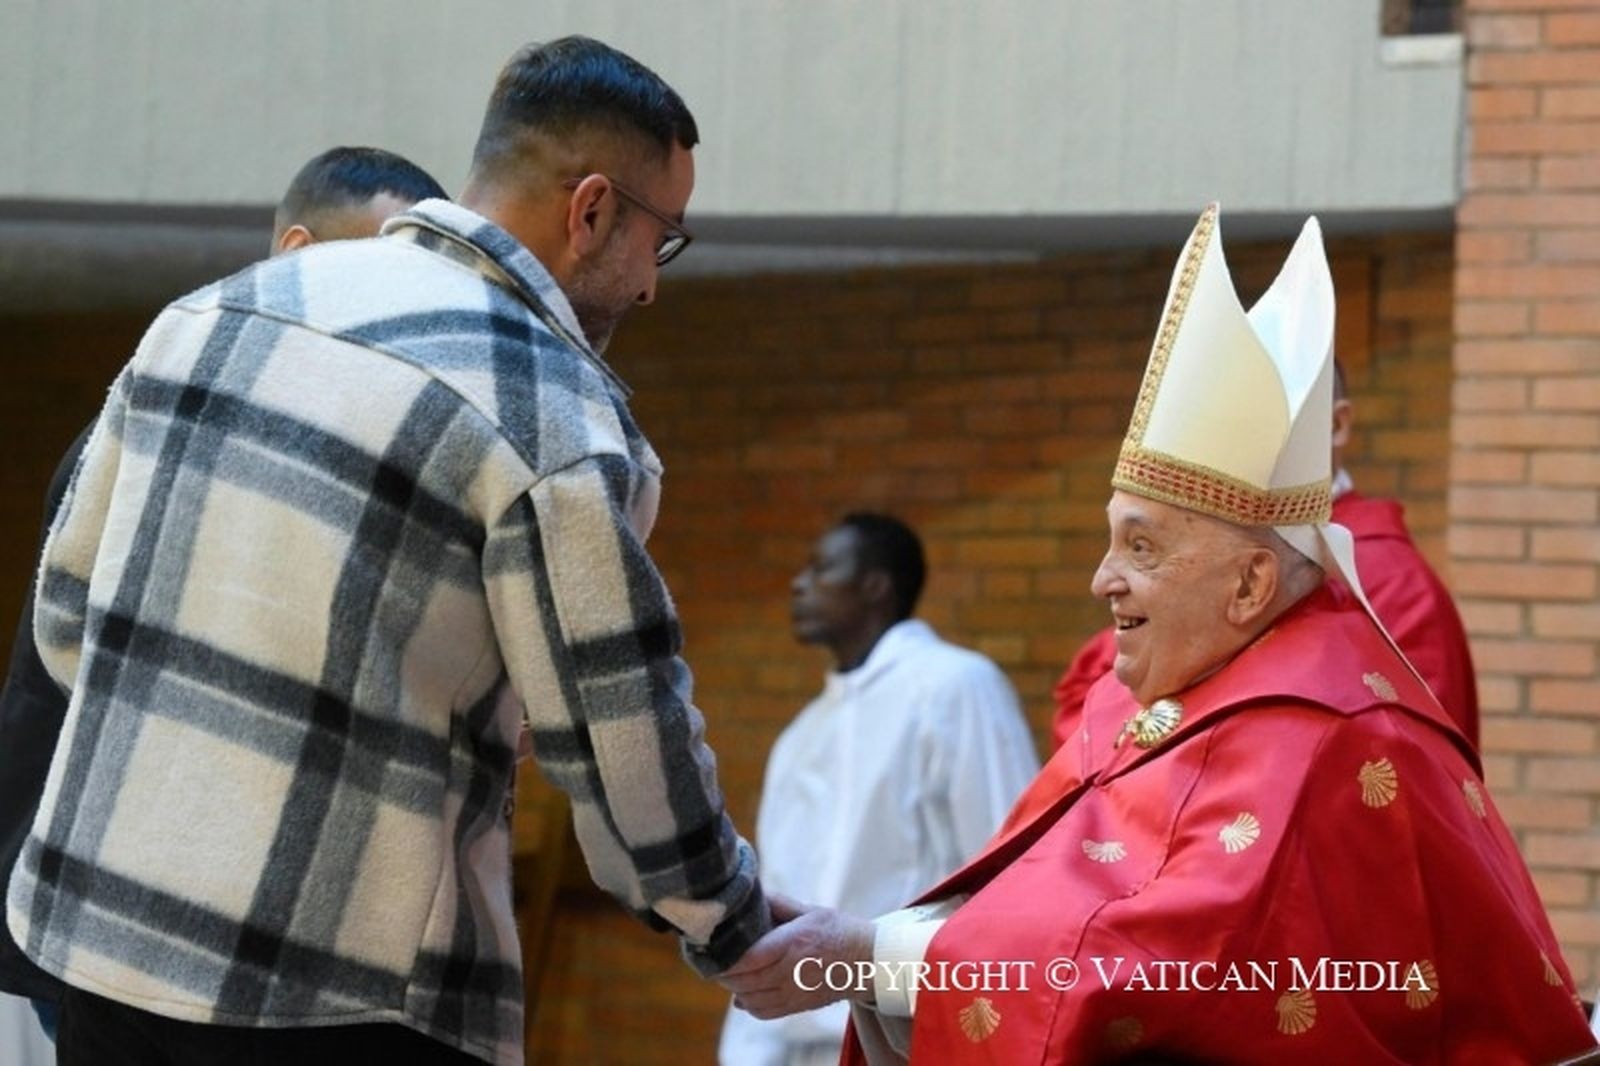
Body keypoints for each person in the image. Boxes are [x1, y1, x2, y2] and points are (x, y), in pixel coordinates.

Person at [10, 37, 767, 1066]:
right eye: (660, 240)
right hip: (338, 990)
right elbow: (624, 748)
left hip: (102, 945)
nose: (648, 287)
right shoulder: (552, 411)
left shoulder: (207, 316)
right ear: (591, 210)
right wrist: (728, 919)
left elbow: (66, 621)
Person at [720, 205, 1596, 1063]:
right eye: (1111, 542)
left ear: (1251, 584)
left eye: (1141, 547)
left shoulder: (1333, 739)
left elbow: (1167, 970)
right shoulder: (1145, 696)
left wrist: (868, 956)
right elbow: (1034, 901)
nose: (1102, 579)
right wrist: (865, 946)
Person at [0, 144, 445, 1046]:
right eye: (376, 272)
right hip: (103, 906)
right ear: (294, 254)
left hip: (220, 922)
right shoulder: (166, 417)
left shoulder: (336, 441)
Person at [719, 513, 1039, 1066]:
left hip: (909, 1033)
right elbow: (774, 900)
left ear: (875, 585)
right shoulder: (800, 736)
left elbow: (1010, 874)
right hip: (792, 1045)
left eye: (822, 568)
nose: (799, 583)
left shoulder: (955, 687)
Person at [1051, 364, 1480, 753]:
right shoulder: (1198, 551)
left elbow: (1401, 761)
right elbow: (1091, 707)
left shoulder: (1397, 587)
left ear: (1336, 424)